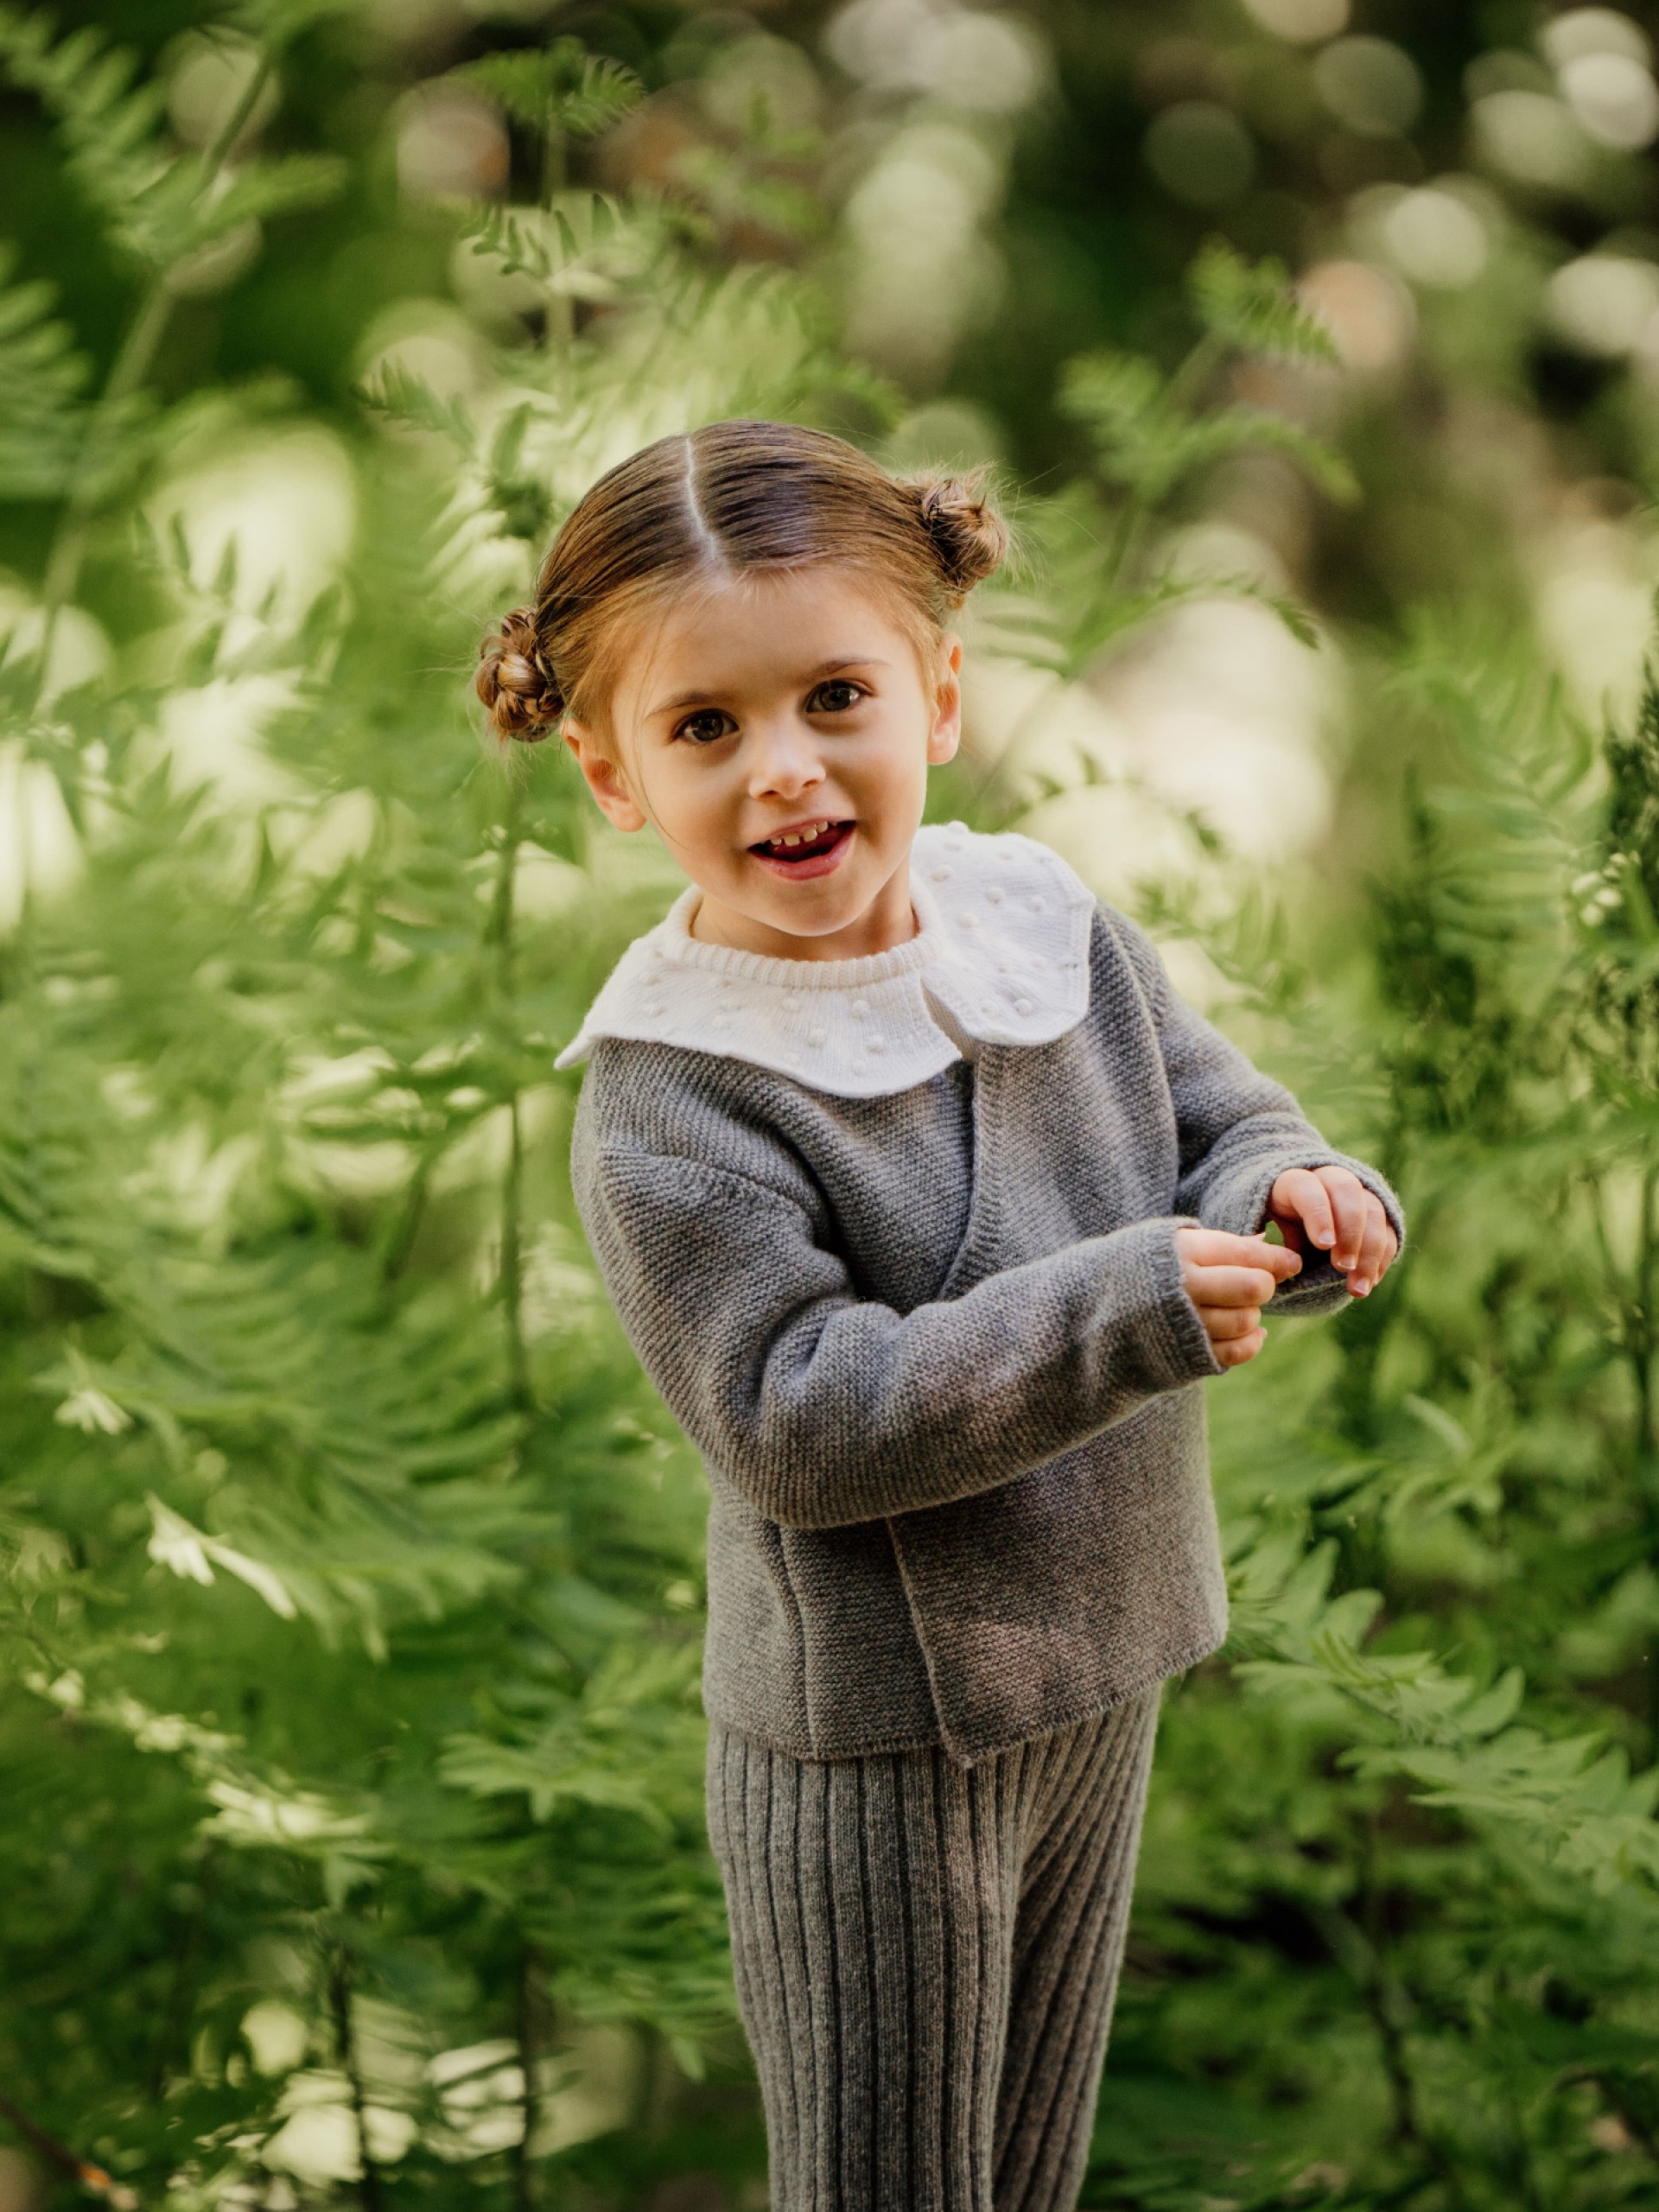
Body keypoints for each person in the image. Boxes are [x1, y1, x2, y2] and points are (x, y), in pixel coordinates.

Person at [474, 419, 1402, 2212]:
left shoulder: (1039, 918)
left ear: (941, 691)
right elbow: (799, 1420)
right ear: (610, 777)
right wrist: (1127, 1304)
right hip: (880, 1744)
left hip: (1099, 1653)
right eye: (703, 726)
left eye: (837, 695)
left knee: (1027, 2178)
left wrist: (1291, 1188)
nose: (787, 770)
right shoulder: (676, 1095)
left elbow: (1219, 1118)